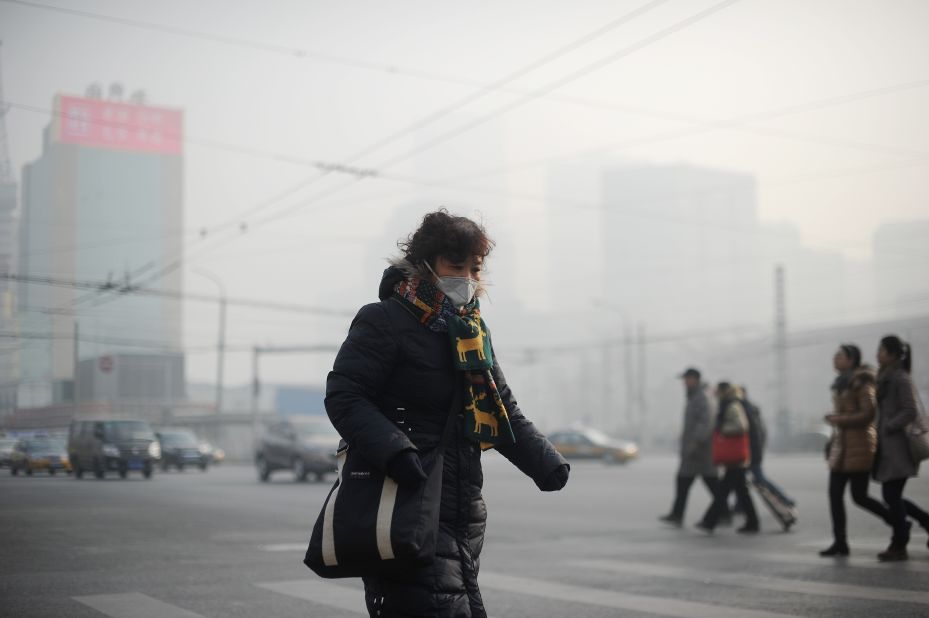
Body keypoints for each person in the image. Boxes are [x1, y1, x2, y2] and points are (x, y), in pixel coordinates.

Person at [325, 210, 569, 617]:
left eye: (475, 268)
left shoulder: (471, 329)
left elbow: (500, 409)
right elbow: (345, 396)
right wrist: (398, 453)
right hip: (405, 496)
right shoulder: (384, 319)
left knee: (455, 599)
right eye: (456, 266)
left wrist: (545, 462)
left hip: (462, 504)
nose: (468, 279)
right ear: (426, 265)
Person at [820, 344, 890, 556]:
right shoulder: (841, 384)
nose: (835, 360)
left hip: (860, 446)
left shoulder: (862, 381)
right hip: (842, 449)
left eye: (840, 356)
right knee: (834, 495)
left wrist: (838, 419)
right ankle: (840, 542)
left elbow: (869, 413)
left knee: (859, 496)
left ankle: (897, 520)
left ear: (852, 360)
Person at [872, 335, 924, 561]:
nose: (878, 354)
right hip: (887, 447)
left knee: (891, 495)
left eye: (882, 351)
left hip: (899, 447)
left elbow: (910, 410)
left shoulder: (900, 378)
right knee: (892, 496)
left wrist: (890, 426)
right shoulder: (884, 378)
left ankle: (899, 543)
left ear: (893, 355)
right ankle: (923, 522)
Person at [696, 382, 760, 534]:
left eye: (717, 391)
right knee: (739, 492)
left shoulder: (732, 406)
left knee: (723, 490)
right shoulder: (729, 405)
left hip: (735, 457)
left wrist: (722, 430)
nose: (715, 394)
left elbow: (741, 426)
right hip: (736, 458)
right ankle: (752, 521)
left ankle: (710, 520)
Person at [659, 367, 719, 526]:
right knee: (685, 482)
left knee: (710, 483)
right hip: (695, 451)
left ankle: (721, 511)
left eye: (686, 379)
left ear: (694, 379)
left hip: (700, 451)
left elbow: (706, 423)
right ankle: (677, 514)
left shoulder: (701, 397)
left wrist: (695, 441)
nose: (684, 383)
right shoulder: (694, 396)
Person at [741, 387, 796, 513]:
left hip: (751, 453)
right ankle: (739, 506)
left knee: (758, 479)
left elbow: (755, 435)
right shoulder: (751, 409)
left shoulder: (747, 411)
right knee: (741, 480)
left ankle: (785, 499)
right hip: (753, 451)